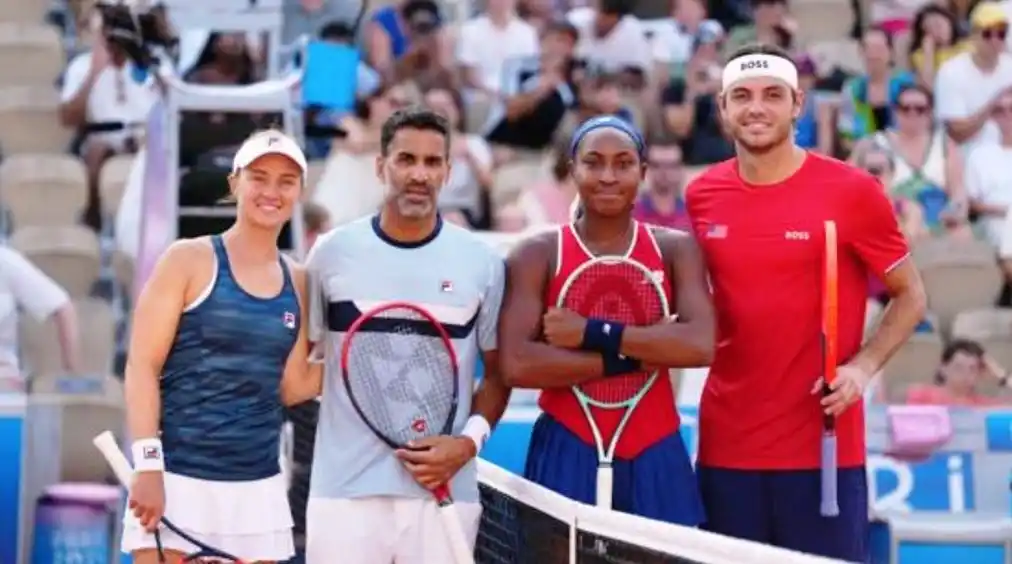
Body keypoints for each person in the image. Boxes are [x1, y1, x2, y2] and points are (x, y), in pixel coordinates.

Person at [686, 43, 927, 561]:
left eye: (773, 95)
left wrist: (861, 369)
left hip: (825, 448)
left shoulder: (853, 191)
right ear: (723, 108)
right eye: (742, 96)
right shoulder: (701, 194)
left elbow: (911, 296)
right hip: (727, 447)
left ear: (798, 104)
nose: (757, 108)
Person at [303, 107, 510, 563]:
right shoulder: (331, 253)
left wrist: (467, 444)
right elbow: (302, 365)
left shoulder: (483, 263)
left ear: (447, 173)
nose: (419, 174)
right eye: (406, 159)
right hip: (344, 496)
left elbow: (498, 375)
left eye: (432, 163)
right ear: (381, 167)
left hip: (446, 495)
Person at [498, 115, 715, 524]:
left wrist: (589, 333)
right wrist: (639, 352)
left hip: (655, 447)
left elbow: (699, 346)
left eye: (623, 163)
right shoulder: (536, 253)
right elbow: (517, 365)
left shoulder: (677, 249)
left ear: (643, 172)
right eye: (593, 162)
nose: (608, 176)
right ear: (572, 168)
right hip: (567, 444)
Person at [122, 129, 320, 563]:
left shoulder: (300, 282)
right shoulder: (186, 259)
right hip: (176, 480)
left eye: (286, 181)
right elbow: (141, 365)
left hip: (257, 491)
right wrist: (148, 465)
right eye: (259, 177)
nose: (272, 191)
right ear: (235, 183)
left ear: (299, 191)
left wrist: (359, 354)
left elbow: (292, 385)